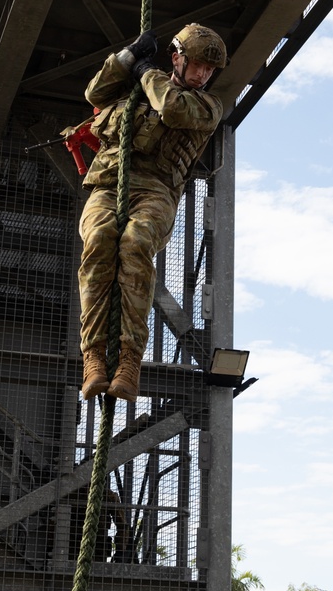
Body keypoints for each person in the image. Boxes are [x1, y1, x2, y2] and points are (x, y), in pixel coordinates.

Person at [76, 24, 225, 404]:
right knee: (98, 241)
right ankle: (93, 355)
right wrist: (128, 57)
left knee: (135, 242)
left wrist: (146, 73)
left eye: (210, 70)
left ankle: (129, 358)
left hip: (156, 190)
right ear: (178, 57)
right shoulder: (134, 86)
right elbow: (95, 92)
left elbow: (173, 109)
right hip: (110, 183)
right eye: (197, 65)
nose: (203, 74)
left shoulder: (206, 106)